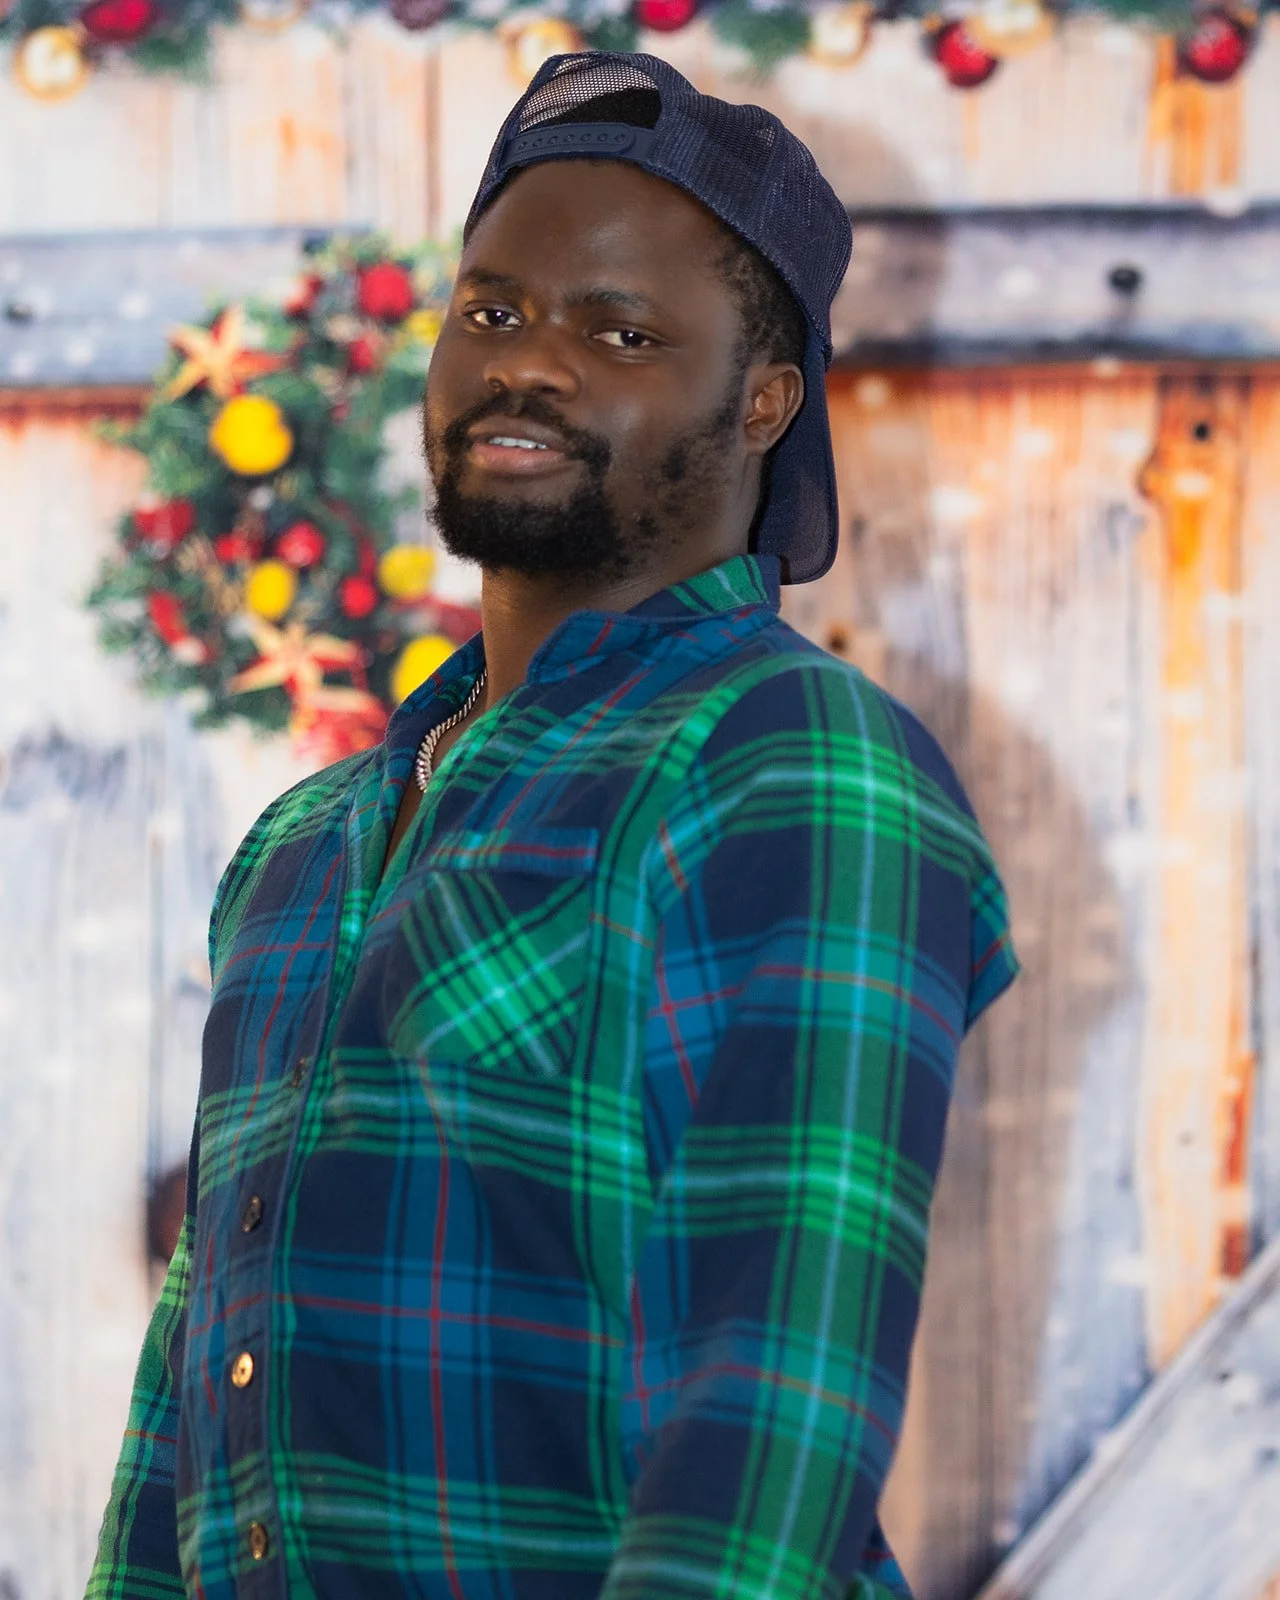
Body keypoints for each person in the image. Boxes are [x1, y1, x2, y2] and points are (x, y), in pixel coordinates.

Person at [88, 51, 1018, 1600]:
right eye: (494, 312)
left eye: (623, 329)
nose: (530, 363)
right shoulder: (307, 846)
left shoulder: (792, 760)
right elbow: (185, 1404)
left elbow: (768, 1427)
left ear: (763, 401)